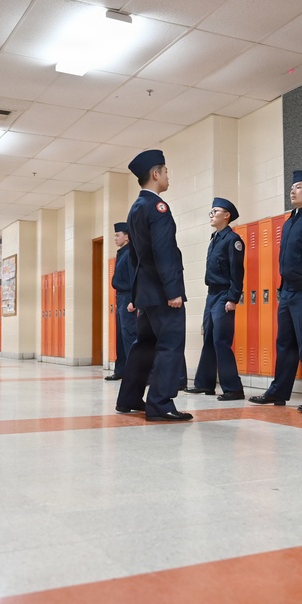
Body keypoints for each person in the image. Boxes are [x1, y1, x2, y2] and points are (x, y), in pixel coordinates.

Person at [115, 149, 192, 421]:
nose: (168, 176)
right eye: (166, 171)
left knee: (144, 344)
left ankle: (129, 398)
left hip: (147, 294)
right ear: (156, 174)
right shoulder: (157, 207)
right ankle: (160, 404)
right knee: (170, 345)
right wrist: (173, 292)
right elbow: (165, 252)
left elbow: (135, 258)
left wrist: (136, 295)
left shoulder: (136, 208)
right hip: (162, 293)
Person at [249, 170, 302, 413]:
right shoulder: (290, 222)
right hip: (287, 293)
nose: (292, 191)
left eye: (298, 187)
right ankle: (279, 391)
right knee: (285, 344)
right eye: (292, 187)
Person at [186, 198, 245, 400]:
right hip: (212, 295)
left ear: (226, 215)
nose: (211, 215)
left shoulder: (233, 240)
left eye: (215, 211)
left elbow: (237, 272)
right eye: (210, 212)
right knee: (209, 339)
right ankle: (205, 384)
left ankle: (233, 388)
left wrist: (233, 298)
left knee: (221, 340)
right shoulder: (215, 239)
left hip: (224, 294)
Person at [106, 222, 136, 381]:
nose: (115, 238)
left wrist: (134, 299)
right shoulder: (121, 253)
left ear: (127, 236)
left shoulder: (131, 253)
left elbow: (134, 278)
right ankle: (121, 370)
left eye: (118, 235)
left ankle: (134, 371)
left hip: (127, 297)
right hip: (120, 296)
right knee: (120, 335)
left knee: (129, 334)